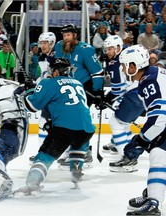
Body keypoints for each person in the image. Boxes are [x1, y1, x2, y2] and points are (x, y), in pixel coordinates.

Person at [16, 58, 95, 195]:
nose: (51, 72)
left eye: (52, 70)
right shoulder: (78, 83)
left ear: (57, 71)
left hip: (65, 128)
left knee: (44, 156)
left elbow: (32, 106)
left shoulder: (49, 82)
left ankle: (32, 184)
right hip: (87, 129)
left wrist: (30, 91)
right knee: (77, 145)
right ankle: (76, 171)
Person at [119, 44, 166, 216]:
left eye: (124, 66)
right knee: (160, 153)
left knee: (159, 154)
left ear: (133, 66)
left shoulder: (148, 81)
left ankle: (153, 201)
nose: (123, 70)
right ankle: (153, 192)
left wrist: (141, 140)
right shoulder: (152, 74)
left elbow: (160, 118)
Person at [54, 24, 104, 168]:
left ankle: (85, 151)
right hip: (65, 87)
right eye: (64, 36)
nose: (66, 38)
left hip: (83, 89)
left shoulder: (86, 50)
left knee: (79, 120)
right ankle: (70, 148)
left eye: (68, 35)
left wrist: (97, 92)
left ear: (75, 35)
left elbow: (97, 72)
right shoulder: (59, 47)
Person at [102, 35, 145, 173]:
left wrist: (106, 99)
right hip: (139, 94)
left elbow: (117, 89)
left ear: (118, 48)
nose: (107, 52)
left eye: (110, 49)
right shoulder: (125, 58)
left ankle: (127, 158)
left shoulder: (116, 63)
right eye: (106, 49)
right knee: (123, 124)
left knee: (116, 122)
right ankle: (128, 153)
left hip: (133, 95)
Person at [28, 32, 56, 163]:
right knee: (42, 123)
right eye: (41, 43)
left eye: (45, 43)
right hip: (49, 97)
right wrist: (36, 82)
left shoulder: (57, 57)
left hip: (57, 97)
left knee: (61, 127)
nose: (43, 45)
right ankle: (42, 153)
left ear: (51, 43)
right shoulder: (42, 58)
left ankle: (72, 153)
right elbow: (44, 76)